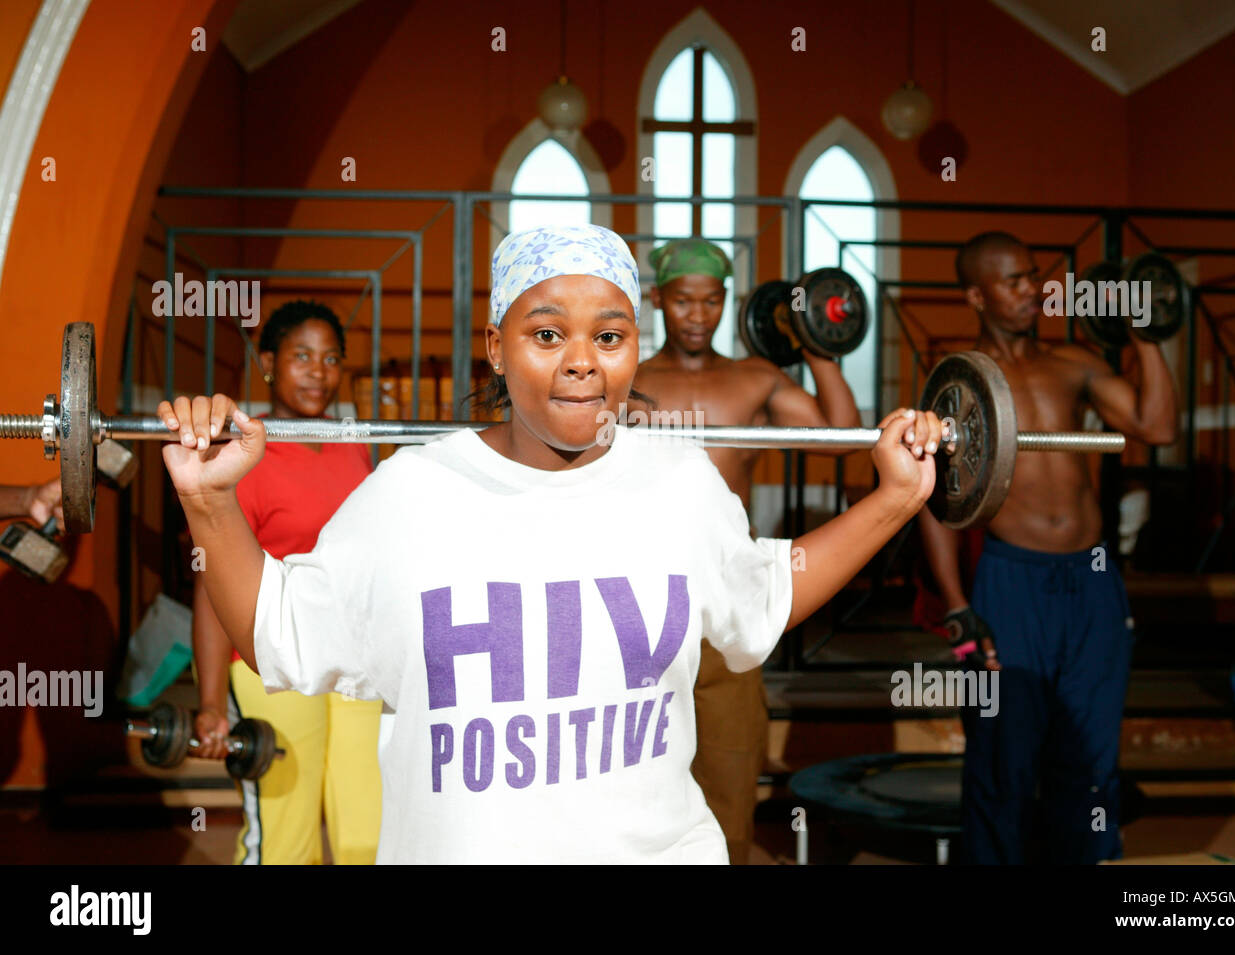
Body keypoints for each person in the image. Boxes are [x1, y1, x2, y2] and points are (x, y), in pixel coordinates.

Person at [156, 224, 944, 864]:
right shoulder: (410, 494)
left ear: (635, 346)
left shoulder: (680, 483)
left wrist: (895, 499)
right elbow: (278, 633)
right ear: (496, 347)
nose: (581, 361)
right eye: (546, 333)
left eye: (609, 334)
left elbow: (767, 590)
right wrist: (210, 501)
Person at [917, 231, 1177, 864]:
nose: (1033, 289)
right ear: (976, 295)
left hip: (1091, 582)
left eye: (1034, 275)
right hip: (1011, 584)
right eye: (1014, 281)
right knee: (1002, 757)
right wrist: (956, 609)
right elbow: (934, 504)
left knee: (1087, 752)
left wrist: (1144, 332)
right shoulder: (961, 382)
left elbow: (1157, 425)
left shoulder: (1076, 364)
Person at [630, 238, 862, 864]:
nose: (698, 314)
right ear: (658, 301)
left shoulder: (756, 379)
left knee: (730, 785)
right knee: (636, 788)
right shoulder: (630, 378)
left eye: (711, 301)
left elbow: (841, 442)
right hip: (640, 608)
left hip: (727, 604)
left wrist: (820, 349)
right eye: (684, 300)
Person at [189, 300, 382, 865]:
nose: (318, 372)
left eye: (330, 359)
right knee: (285, 835)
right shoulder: (242, 456)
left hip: (352, 658)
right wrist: (208, 702)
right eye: (301, 356)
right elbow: (210, 584)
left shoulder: (355, 448)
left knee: (363, 832)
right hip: (268, 662)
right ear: (267, 362)